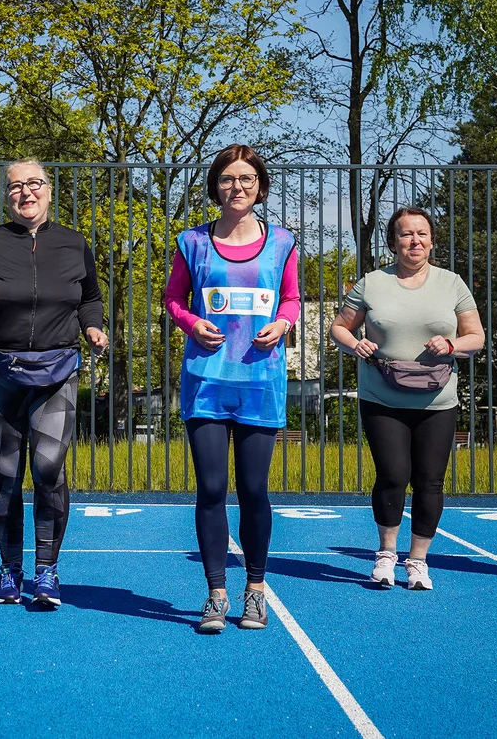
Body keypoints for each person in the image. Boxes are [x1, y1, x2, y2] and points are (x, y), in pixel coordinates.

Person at [0, 159, 108, 608]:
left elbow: (90, 299)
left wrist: (93, 328)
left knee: (48, 470)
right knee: (5, 476)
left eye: (34, 184)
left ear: (50, 191)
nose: (26, 193)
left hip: (58, 372)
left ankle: (46, 571)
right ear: (6, 196)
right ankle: (8, 568)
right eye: (16, 187)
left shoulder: (74, 244)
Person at [164, 143, 300, 632]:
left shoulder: (282, 242)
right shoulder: (192, 242)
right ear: (215, 186)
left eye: (246, 179)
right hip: (206, 382)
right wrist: (191, 324)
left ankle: (256, 590)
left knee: (255, 489)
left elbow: (291, 299)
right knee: (212, 489)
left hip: (261, 382)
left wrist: (283, 326)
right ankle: (216, 594)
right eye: (227, 179)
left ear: (260, 186)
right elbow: (173, 299)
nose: (236, 187)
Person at [329, 207, 484, 591]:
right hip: (382, 397)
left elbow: (476, 337)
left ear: (432, 240)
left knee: (429, 481)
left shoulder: (452, 284)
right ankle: (386, 554)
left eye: (422, 234)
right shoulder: (372, 283)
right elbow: (339, 327)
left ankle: (418, 561)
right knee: (393, 475)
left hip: (437, 400)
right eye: (406, 234)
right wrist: (355, 343)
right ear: (393, 242)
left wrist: (451, 344)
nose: (415, 241)